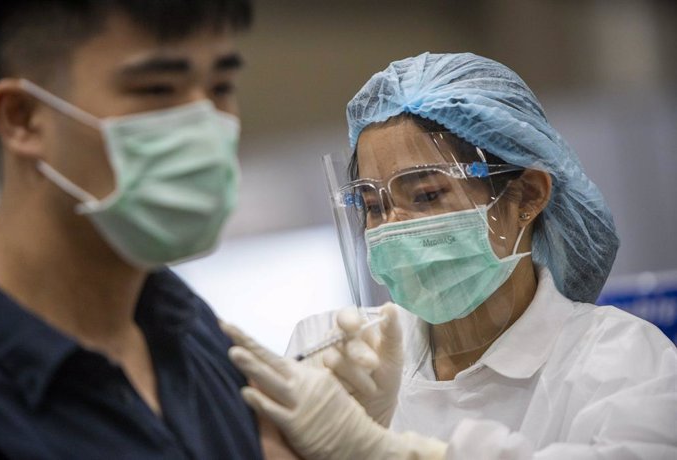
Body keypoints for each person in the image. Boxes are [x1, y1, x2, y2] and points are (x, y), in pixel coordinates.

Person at [227, 53, 677, 459]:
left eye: (425, 195)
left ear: (526, 196)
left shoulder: (622, 362)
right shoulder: (339, 354)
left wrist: (386, 452)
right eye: (373, 206)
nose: (393, 226)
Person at [0, 1, 301, 458]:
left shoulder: (191, 329)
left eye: (221, 86)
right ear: (22, 117)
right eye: (157, 89)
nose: (205, 123)